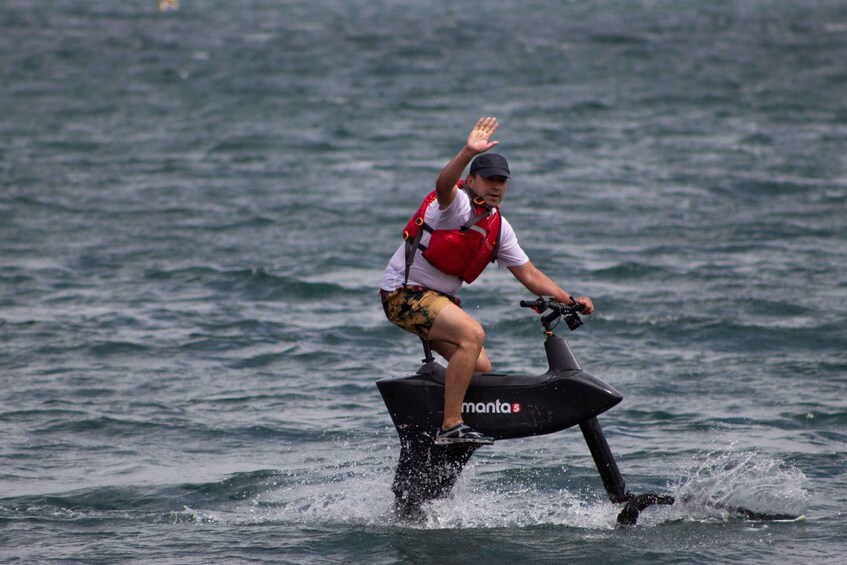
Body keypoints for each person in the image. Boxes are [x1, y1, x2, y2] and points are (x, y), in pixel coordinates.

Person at [380, 117, 594, 446]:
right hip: (403, 295)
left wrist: (570, 300)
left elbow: (530, 274)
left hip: (436, 302)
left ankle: (434, 417)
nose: (496, 186)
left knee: (480, 366)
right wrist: (467, 151)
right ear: (472, 181)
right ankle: (450, 425)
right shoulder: (455, 206)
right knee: (472, 334)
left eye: (502, 181)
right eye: (489, 180)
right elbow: (443, 183)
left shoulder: (499, 228)